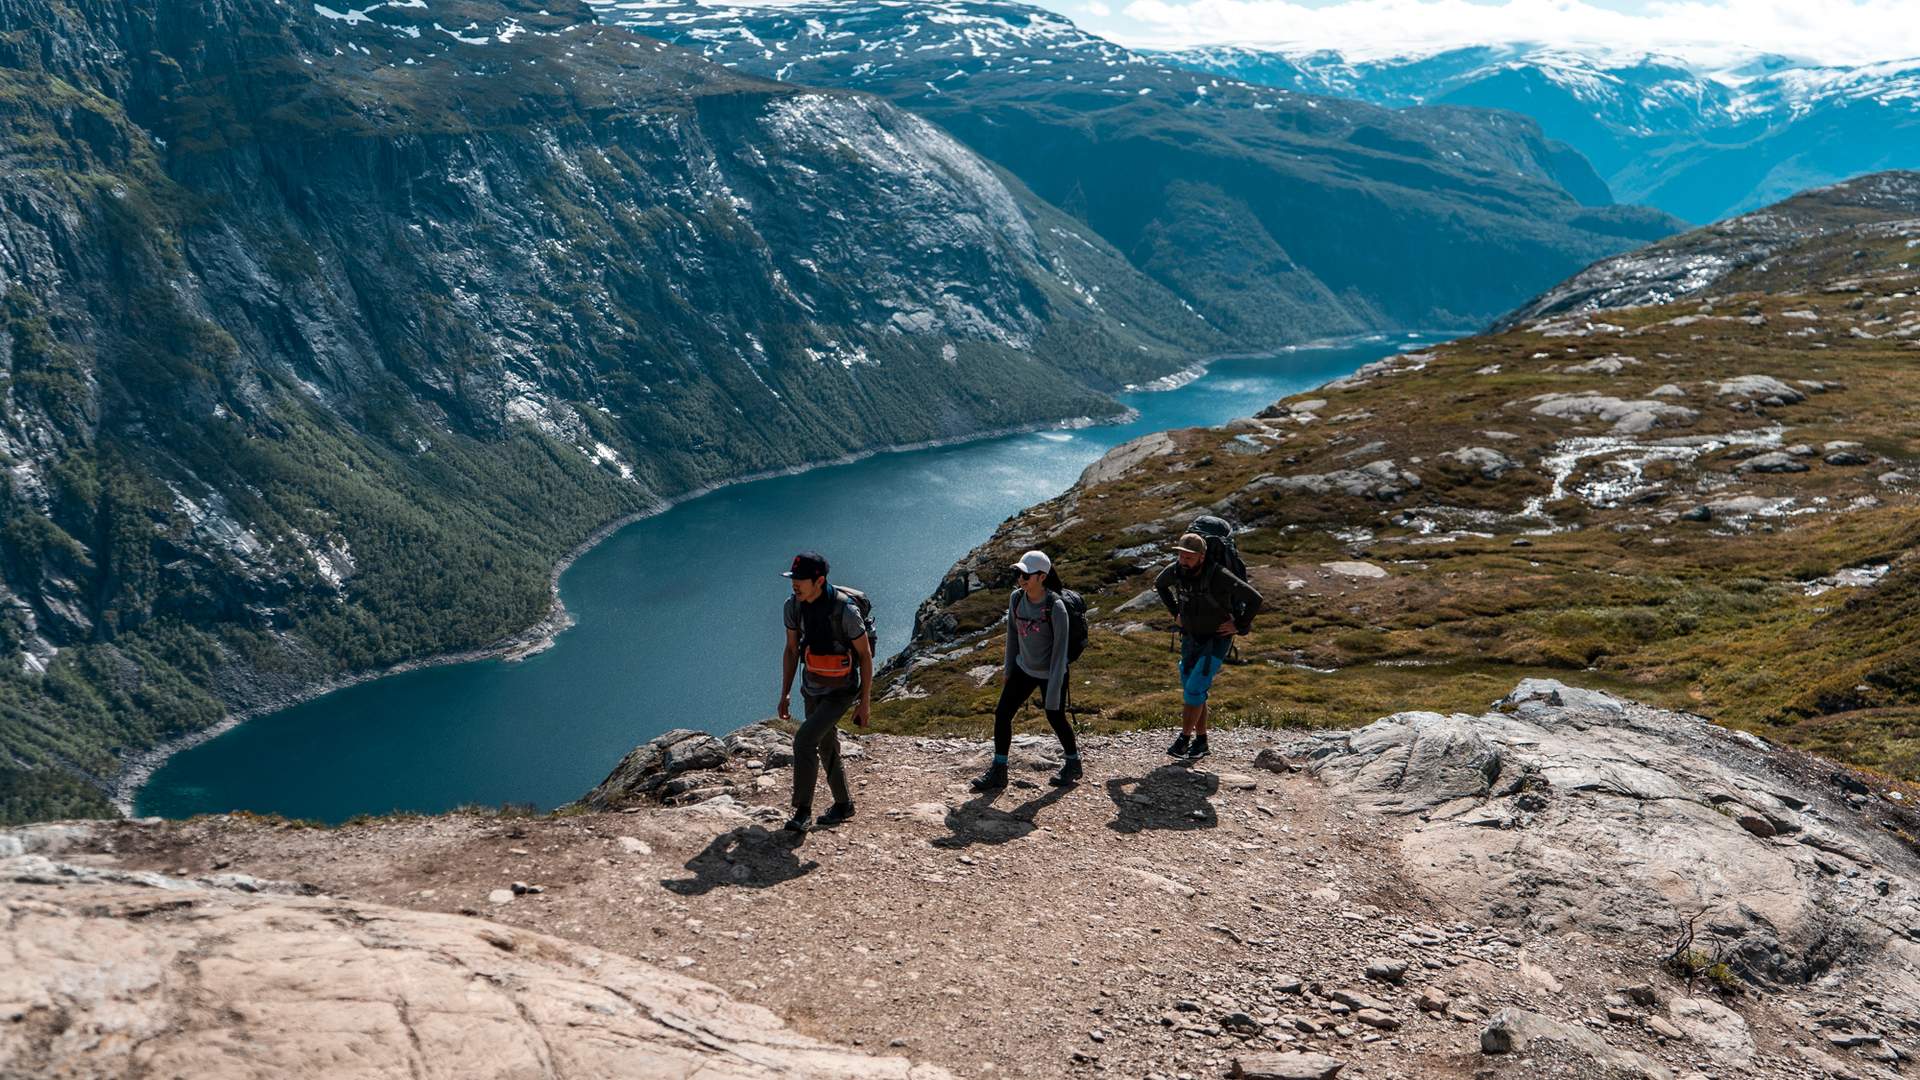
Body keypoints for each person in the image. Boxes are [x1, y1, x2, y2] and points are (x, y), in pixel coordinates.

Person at [971, 550, 1083, 792]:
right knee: (1003, 714)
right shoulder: (1016, 599)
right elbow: (1012, 635)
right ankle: (999, 770)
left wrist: (1053, 690)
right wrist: (1008, 669)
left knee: (1055, 716)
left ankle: (1073, 762)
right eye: (1019, 573)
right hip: (1024, 668)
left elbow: (1060, 653)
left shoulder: (1056, 607)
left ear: (1042, 577)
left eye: (1026, 575)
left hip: (1051, 673)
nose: (1020, 579)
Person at [778, 550, 871, 832]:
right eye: (793, 578)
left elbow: (865, 655)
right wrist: (785, 694)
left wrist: (864, 702)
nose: (794, 584)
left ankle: (802, 812)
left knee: (804, 740)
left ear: (819, 581)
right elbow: (792, 650)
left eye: (800, 579)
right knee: (826, 743)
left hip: (842, 690)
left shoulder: (846, 611)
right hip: (812, 686)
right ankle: (843, 804)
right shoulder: (793, 606)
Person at [1154, 532, 1262, 759]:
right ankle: (1201, 741)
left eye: (1189, 557)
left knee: (1194, 689)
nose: (1183, 561)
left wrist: (1238, 625)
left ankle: (1183, 740)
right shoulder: (1176, 571)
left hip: (1216, 640)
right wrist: (1175, 613)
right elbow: (1160, 585)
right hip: (1190, 637)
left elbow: (1255, 599)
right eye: (1181, 556)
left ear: (1202, 557)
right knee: (1193, 691)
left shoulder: (1219, 574)